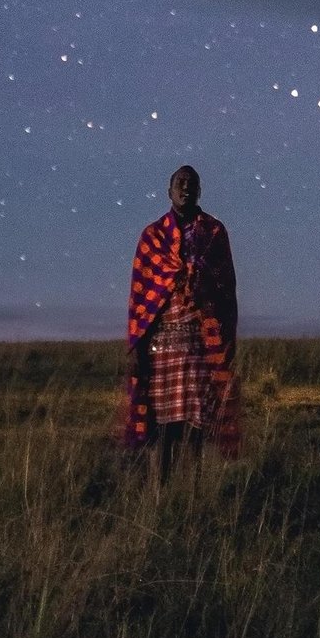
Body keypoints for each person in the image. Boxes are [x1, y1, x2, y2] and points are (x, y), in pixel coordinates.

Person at [120, 164, 240, 470]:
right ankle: (162, 493)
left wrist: (225, 342)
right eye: (180, 183)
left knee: (197, 426)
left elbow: (226, 288)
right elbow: (140, 296)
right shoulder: (152, 236)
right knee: (162, 427)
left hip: (201, 344)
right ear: (169, 190)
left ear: (199, 191)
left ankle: (193, 494)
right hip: (160, 346)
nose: (186, 188)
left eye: (192, 184)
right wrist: (136, 346)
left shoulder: (213, 232)